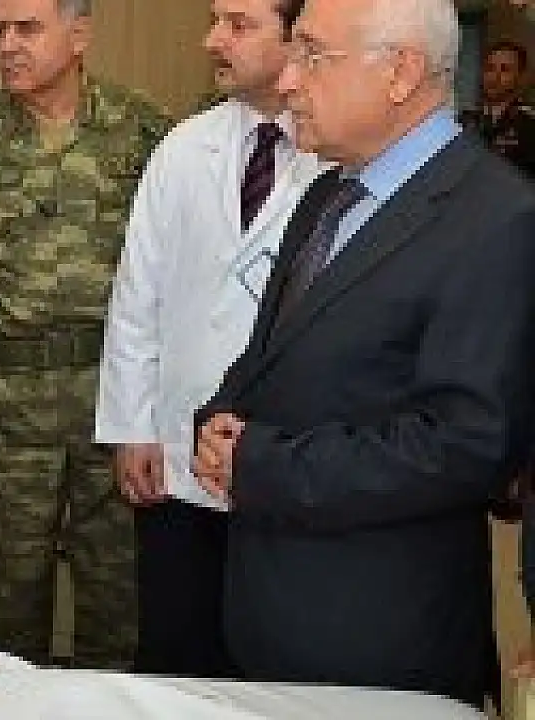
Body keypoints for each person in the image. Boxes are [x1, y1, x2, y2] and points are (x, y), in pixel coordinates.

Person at [192, 0, 535, 707]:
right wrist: (221, 414)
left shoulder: (497, 218)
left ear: (400, 73)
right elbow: (272, 355)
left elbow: (466, 445)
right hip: (268, 611)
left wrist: (262, 464)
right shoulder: (328, 193)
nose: (288, 80)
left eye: (313, 55)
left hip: (379, 638)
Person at [0, 0, 171, 668]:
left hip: (114, 399)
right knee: (2, 608)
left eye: (27, 29)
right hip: (10, 404)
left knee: (118, 602)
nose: (8, 45)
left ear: (79, 34)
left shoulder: (144, 132)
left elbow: (174, 267)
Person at [96, 0, 323, 678]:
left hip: (287, 461)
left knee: (269, 664)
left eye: (239, 24)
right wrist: (133, 427)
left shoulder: (336, 153)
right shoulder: (183, 148)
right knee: (177, 652)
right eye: (215, 20)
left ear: (299, 37)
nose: (212, 40)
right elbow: (137, 294)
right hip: (176, 454)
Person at [461, 41, 535, 178]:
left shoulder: (528, 124)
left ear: (520, 77)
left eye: (505, 70)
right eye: (490, 68)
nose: (494, 77)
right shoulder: (464, 122)